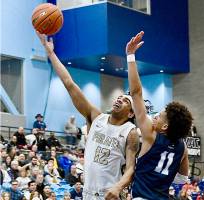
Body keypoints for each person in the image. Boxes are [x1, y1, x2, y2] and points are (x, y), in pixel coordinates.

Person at [36, 31, 139, 200]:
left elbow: (130, 168)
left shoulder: (130, 132)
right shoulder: (96, 117)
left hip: (109, 194)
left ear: (131, 113)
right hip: (87, 193)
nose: (119, 99)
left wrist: (118, 187)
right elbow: (69, 84)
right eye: (119, 97)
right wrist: (50, 53)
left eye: (125, 100)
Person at [126, 31, 192, 199]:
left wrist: (130, 56)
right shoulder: (182, 148)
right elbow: (182, 179)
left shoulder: (150, 134)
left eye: (159, 116)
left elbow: (136, 93)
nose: (154, 116)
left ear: (165, 126)